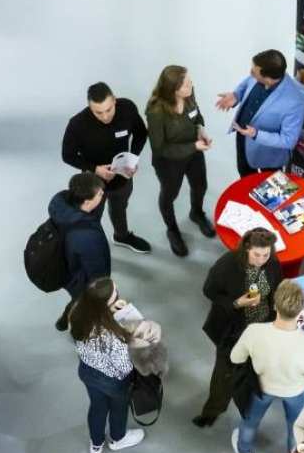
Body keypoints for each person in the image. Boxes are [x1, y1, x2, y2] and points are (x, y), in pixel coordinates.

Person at [229, 279, 304, 453]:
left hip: (262, 387)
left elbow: (236, 358)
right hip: (296, 391)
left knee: (250, 421)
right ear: (300, 310)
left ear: (275, 305)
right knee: (296, 429)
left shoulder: (254, 331)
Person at [194, 228, 282, 428]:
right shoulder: (228, 264)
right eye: (256, 254)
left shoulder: (273, 263)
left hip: (262, 327)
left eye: (266, 254)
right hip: (233, 329)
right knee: (223, 373)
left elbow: (275, 287)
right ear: (247, 248)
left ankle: (249, 411)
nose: (261, 260)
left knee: (253, 372)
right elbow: (209, 290)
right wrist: (236, 303)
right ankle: (212, 411)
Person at [62, 82, 151, 254]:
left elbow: (141, 133)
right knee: (90, 218)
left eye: (109, 110)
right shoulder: (77, 123)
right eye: (98, 112)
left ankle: (122, 236)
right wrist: (95, 169)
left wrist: (132, 159)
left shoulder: (127, 108)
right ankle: (90, 248)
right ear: (89, 107)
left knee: (120, 207)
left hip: (123, 176)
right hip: (93, 182)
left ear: (115, 101)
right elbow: (68, 155)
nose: (105, 116)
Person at [70, 277, 144, 453]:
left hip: (88, 371)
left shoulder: (77, 312)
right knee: (119, 408)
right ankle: (118, 439)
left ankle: (96, 444)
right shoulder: (113, 333)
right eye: (115, 294)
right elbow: (124, 365)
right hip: (114, 380)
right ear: (103, 305)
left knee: (97, 407)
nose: (118, 294)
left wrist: (113, 309)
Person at [145, 65, 214, 258]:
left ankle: (197, 213)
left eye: (189, 81)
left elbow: (196, 115)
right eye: (185, 84)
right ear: (172, 89)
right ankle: (172, 229)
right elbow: (160, 148)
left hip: (194, 150)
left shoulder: (189, 93)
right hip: (169, 161)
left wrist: (200, 129)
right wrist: (194, 146)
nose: (190, 86)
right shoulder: (156, 111)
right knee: (169, 195)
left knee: (200, 185)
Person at [215, 49, 304, 177]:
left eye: (254, 72)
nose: (250, 73)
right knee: (244, 180)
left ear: (268, 79)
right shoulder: (259, 75)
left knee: (266, 193)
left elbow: (288, 140)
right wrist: (237, 94)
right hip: (243, 140)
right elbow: (248, 82)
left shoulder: (294, 103)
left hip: (267, 158)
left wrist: (256, 134)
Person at [48, 170, 111, 331]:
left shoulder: (63, 207)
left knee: (77, 299)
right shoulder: (87, 237)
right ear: (87, 201)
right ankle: (78, 330)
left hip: (66, 267)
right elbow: (97, 275)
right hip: (80, 278)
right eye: (99, 194)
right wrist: (105, 292)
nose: (102, 195)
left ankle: (63, 320)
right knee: (84, 302)